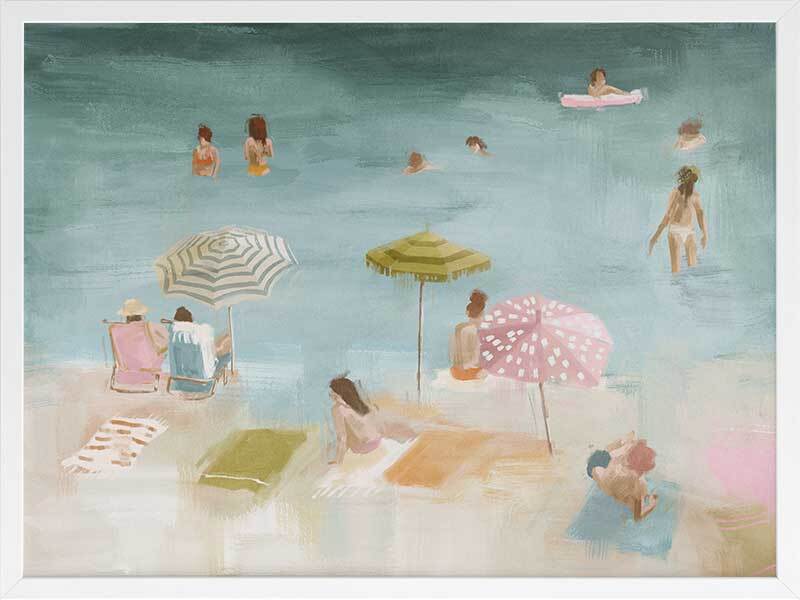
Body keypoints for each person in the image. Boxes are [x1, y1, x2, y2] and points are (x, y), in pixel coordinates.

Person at [328, 376, 415, 464]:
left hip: (365, 447)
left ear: (339, 393)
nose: (330, 393)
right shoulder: (361, 404)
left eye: (332, 391)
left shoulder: (338, 409)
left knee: (349, 439)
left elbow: (342, 437)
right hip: (378, 442)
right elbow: (377, 424)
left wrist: (338, 460)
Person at [648, 165, 708, 273]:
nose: (693, 184)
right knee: (675, 271)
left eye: (694, 181)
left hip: (689, 232)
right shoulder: (676, 193)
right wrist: (655, 237)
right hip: (675, 231)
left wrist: (705, 234)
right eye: (692, 181)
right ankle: (675, 283)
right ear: (686, 180)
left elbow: (700, 213)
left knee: (693, 269)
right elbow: (668, 215)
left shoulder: (695, 195)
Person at [587, 432, 659, 521]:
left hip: (601, 471)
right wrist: (652, 504)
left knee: (611, 455)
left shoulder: (620, 462)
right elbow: (638, 516)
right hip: (608, 480)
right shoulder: (638, 485)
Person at [169, 306, 232, 380]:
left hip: (179, 380)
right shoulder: (200, 332)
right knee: (228, 354)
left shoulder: (174, 334)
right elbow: (209, 358)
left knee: (221, 344)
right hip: (204, 380)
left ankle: (224, 340)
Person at [449, 289, 488, 381]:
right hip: (468, 374)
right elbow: (474, 361)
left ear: (467, 313)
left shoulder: (459, 327)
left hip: (454, 371)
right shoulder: (475, 332)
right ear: (482, 314)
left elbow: (452, 355)